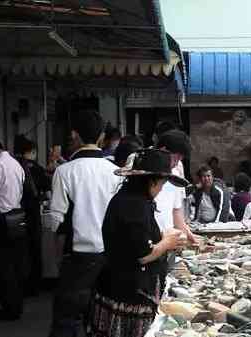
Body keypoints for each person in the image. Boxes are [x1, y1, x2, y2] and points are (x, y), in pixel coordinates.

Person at [87, 149, 188, 337]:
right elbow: (142, 255)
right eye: (162, 184)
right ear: (152, 180)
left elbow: (137, 237)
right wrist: (167, 243)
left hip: (118, 287)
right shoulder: (135, 204)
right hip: (128, 292)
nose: (161, 189)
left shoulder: (132, 199)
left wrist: (165, 237)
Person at [47, 109, 122, 337]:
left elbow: (56, 221)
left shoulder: (64, 171)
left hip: (78, 258)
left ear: (74, 135)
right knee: (102, 317)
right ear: (101, 137)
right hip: (110, 256)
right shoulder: (116, 172)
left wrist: (58, 259)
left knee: (67, 319)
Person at [0, 137, 27, 320]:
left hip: (0, 220)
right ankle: (17, 305)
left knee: (2, 266)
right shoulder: (15, 164)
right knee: (15, 264)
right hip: (16, 216)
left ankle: (8, 308)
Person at [14, 134, 49, 297]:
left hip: (18, 214)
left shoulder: (15, 167)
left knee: (22, 251)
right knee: (36, 249)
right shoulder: (37, 168)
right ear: (33, 151)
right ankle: (36, 284)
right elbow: (47, 189)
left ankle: (23, 285)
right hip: (34, 213)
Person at [155, 130, 195, 243]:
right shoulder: (143, 175)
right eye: (176, 159)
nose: (177, 164)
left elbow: (176, 210)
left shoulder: (175, 176)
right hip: (150, 242)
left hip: (168, 241)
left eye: (179, 160)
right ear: (163, 150)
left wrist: (187, 234)